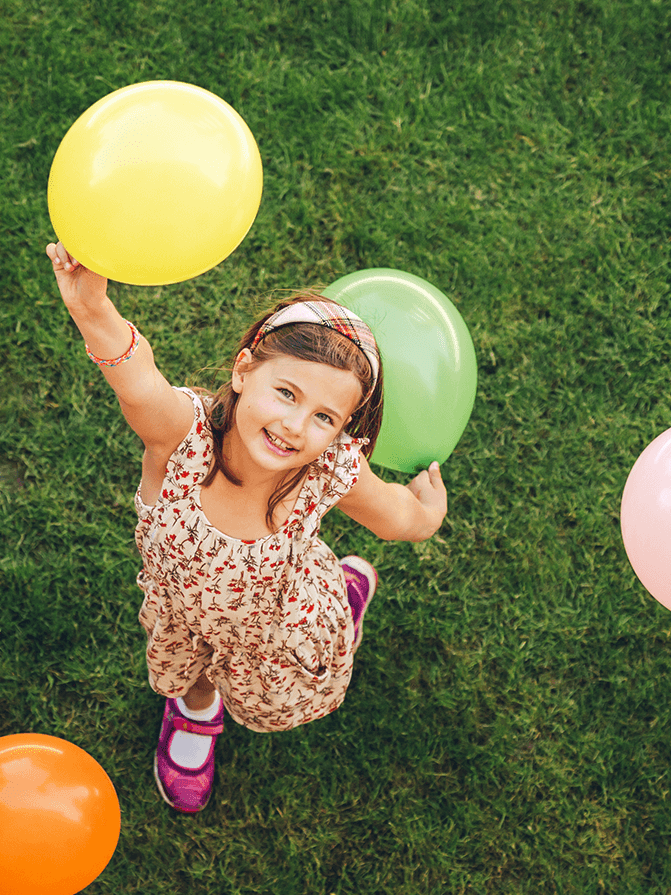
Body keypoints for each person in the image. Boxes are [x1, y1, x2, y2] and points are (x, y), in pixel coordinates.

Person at [45, 241, 448, 813]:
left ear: (341, 430)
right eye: (286, 392)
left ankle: (345, 594)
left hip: (281, 622)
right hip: (184, 612)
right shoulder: (179, 435)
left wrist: (426, 516)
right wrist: (91, 310)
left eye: (324, 418)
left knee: (300, 646)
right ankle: (195, 710)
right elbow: (136, 377)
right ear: (242, 371)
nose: (294, 425)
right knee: (191, 668)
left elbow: (394, 517)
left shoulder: (328, 468)